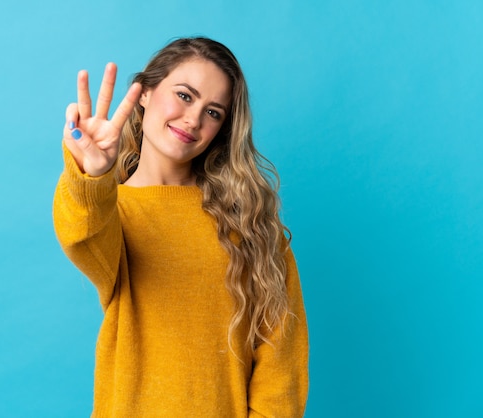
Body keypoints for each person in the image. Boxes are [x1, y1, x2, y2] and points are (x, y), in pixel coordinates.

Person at [53, 37, 308, 417]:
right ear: (144, 93)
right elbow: (82, 233)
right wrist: (93, 175)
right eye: (185, 96)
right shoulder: (113, 213)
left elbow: (281, 367)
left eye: (214, 112)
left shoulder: (251, 225)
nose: (194, 119)